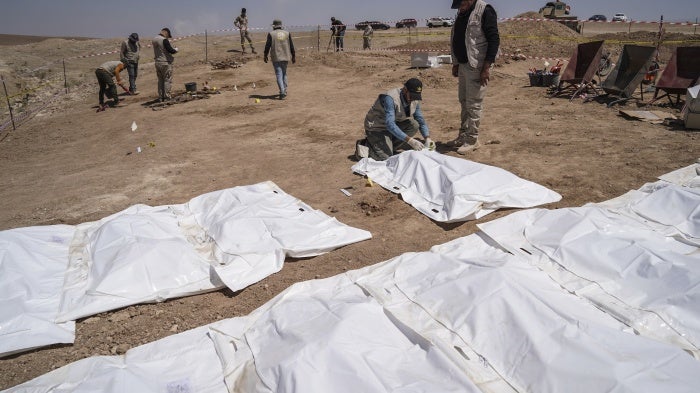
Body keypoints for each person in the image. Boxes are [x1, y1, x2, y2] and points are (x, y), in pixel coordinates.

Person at [449, 0, 500, 154]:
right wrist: (456, 63)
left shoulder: (485, 10)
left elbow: (494, 39)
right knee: (464, 101)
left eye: (462, 5)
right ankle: (463, 135)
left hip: (477, 66)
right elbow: (457, 38)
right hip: (464, 65)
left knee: (474, 104)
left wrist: (486, 67)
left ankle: (473, 139)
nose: (460, 8)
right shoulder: (462, 13)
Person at [360, 78, 434, 161]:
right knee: (385, 158)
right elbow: (390, 124)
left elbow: (420, 120)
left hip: (392, 125)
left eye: (415, 96)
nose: (413, 99)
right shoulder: (390, 98)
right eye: (411, 96)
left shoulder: (414, 100)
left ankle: (387, 146)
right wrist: (409, 140)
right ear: (405, 90)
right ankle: (365, 145)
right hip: (377, 128)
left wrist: (427, 138)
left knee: (414, 125)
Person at [263, 19, 296, 100]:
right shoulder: (287, 33)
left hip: (276, 57)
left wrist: (265, 55)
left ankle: (282, 92)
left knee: (279, 74)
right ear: (281, 25)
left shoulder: (271, 34)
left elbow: (267, 46)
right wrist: (293, 56)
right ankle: (284, 90)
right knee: (284, 73)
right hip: (286, 56)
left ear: (274, 26)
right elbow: (291, 46)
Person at [152, 28, 178, 102]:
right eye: (167, 35)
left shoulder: (154, 39)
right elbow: (170, 50)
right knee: (167, 80)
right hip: (165, 63)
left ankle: (161, 97)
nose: (167, 37)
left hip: (157, 62)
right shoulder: (164, 40)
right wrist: (176, 49)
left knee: (160, 81)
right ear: (166, 32)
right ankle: (167, 97)